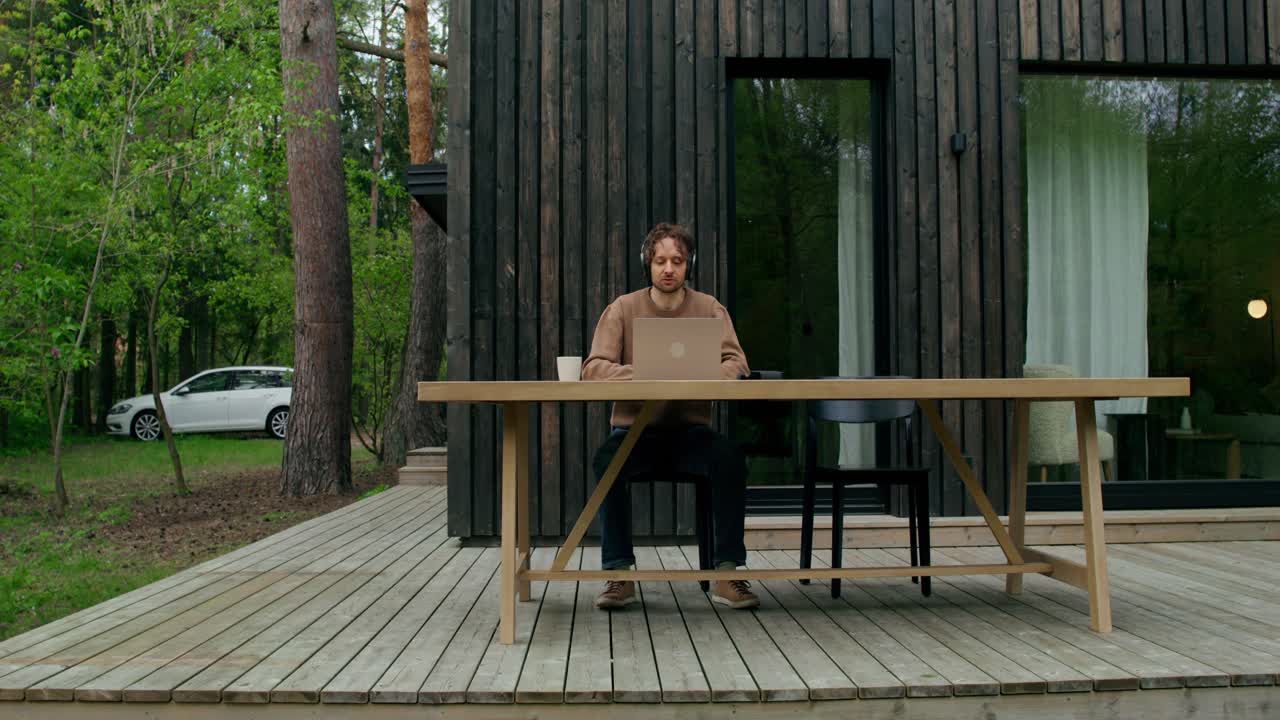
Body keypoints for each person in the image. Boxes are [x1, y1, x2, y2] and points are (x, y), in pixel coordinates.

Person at [582, 222, 759, 610]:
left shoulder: (709, 308)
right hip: (634, 434)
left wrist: (699, 373)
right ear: (647, 263)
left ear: (688, 264)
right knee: (605, 460)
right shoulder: (623, 308)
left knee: (729, 458)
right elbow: (594, 368)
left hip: (691, 433)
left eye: (676, 261)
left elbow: (737, 362)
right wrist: (646, 373)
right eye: (660, 260)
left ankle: (728, 572)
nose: (668, 268)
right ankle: (619, 574)